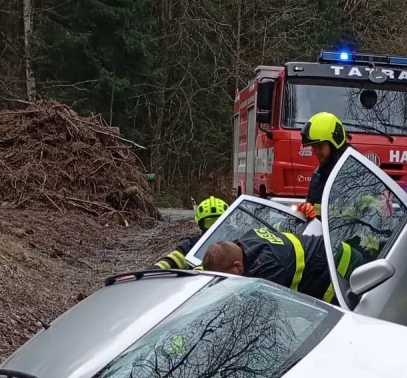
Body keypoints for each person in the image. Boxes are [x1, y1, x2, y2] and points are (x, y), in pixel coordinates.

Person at [200, 227, 364, 304]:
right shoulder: (244, 241)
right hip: (332, 250)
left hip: (340, 268)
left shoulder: (267, 269)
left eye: (226, 279)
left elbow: (264, 311)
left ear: (237, 267)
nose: (225, 284)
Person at [298, 112, 351, 219]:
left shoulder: (353, 174)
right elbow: (315, 205)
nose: (316, 152)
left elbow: (359, 213)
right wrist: (307, 209)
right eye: (314, 147)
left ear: (334, 144)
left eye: (320, 146)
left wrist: (317, 212)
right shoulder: (319, 173)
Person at [153, 196, 227, 270]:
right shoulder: (191, 246)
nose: (214, 227)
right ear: (200, 225)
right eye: (209, 223)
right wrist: (151, 271)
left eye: (219, 222)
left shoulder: (236, 245)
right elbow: (168, 262)